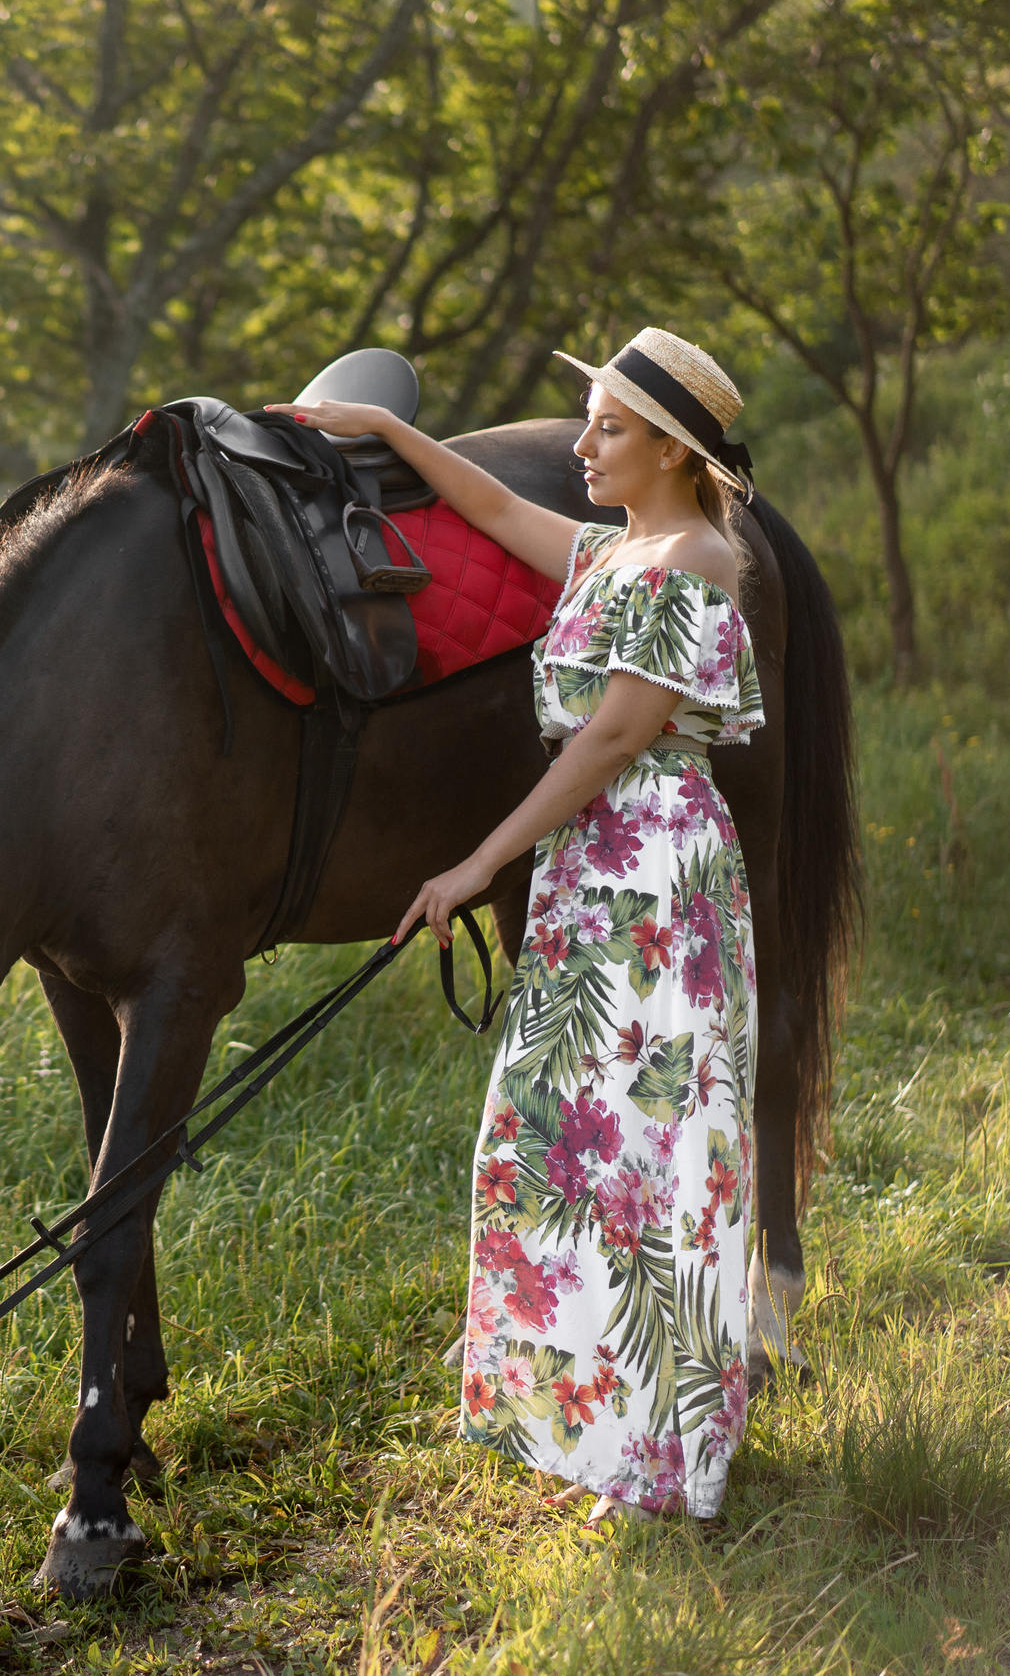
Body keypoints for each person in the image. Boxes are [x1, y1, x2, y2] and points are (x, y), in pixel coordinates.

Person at [269, 328, 766, 1525]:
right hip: (597, 876)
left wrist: (476, 860)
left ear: (669, 448)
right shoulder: (620, 549)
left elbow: (610, 738)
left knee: (648, 1157)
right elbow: (491, 502)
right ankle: (609, 1431)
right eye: (586, 421)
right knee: (571, 1146)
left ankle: (663, 1461)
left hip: (648, 874)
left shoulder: (691, 559)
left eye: (605, 427)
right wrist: (387, 430)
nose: (583, 445)